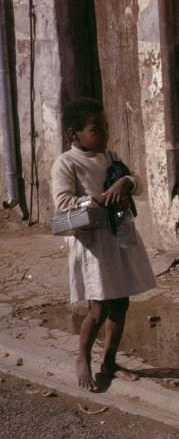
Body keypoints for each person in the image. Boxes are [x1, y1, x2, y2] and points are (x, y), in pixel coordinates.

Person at [51, 97, 156, 391]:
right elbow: (62, 203)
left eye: (106, 127)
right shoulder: (66, 163)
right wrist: (95, 199)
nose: (105, 134)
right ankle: (83, 357)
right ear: (74, 134)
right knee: (98, 309)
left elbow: (137, 183)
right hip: (92, 243)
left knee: (121, 303)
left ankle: (109, 361)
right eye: (96, 130)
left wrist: (126, 182)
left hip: (117, 236)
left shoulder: (109, 156)